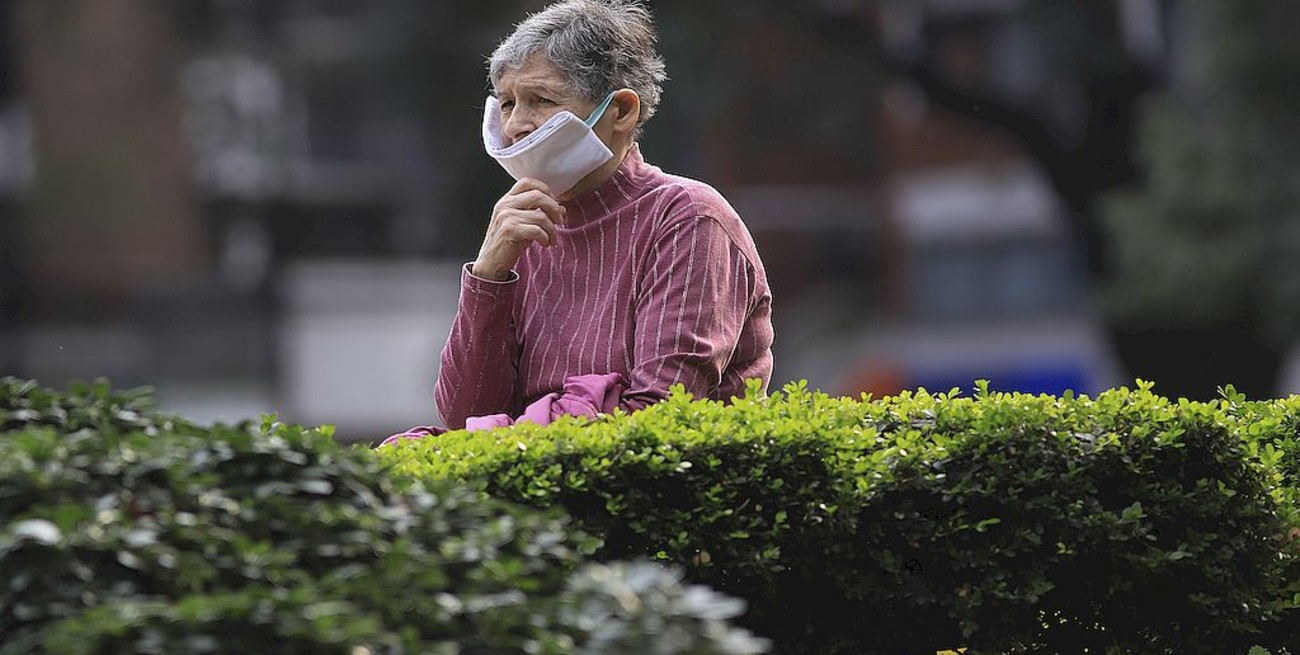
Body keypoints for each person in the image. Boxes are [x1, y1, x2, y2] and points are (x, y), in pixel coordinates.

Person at [434, 0, 773, 430]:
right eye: (506, 103)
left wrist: (516, 428)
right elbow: (463, 420)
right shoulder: (520, 228)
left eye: (541, 100)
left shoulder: (687, 218)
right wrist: (488, 275)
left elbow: (659, 414)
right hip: (528, 467)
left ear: (622, 112)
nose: (516, 124)